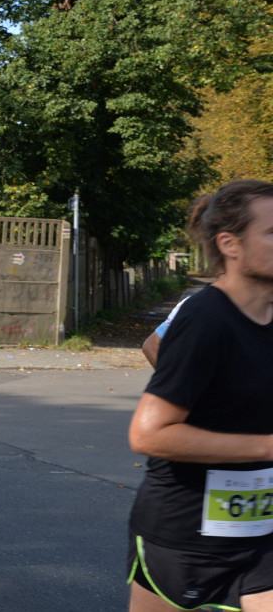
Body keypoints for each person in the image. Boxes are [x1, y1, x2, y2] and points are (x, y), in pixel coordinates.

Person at [127, 179, 273, 611]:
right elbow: (149, 435)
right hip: (185, 535)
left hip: (261, 532)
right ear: (230, 243)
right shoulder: (206, 319)